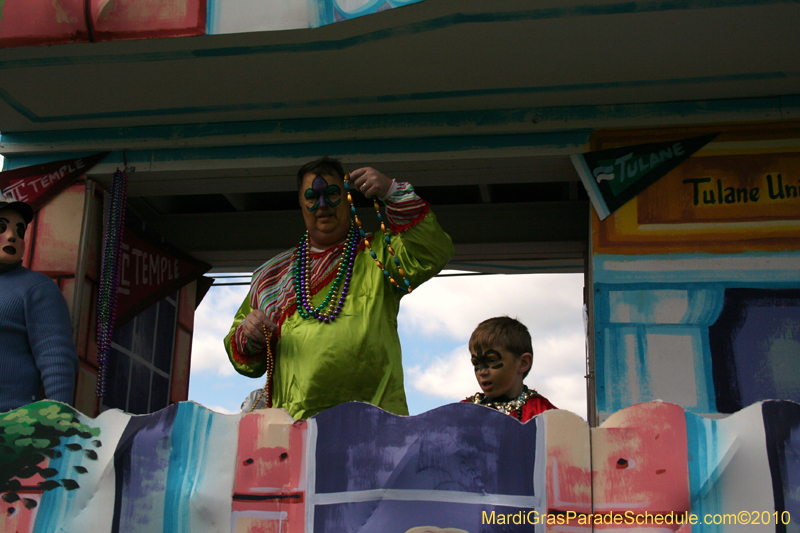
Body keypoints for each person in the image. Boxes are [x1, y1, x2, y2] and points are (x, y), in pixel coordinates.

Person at [225, 157, 454, 419]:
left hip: (376, 425)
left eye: (332, 194)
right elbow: (245, 361)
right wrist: (250, 333)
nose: (322, 205)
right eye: (312, 197)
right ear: (301, 203)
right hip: (297, 429)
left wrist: (392, 192)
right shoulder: (273, 276)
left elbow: (432, 251)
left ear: (347, 198)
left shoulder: (379, 255)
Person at [0, 193, 79, 411]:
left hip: (11, 422)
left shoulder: (36, 288)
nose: (12, 236)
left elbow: (56, 358)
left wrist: (59, 417)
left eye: (19, 231)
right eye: (1, 228)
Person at [463, 316, 556, 422]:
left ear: (523, 363)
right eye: (476, 363)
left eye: (492, 360)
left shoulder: (546, 416)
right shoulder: (461, 414)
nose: (482, 372)